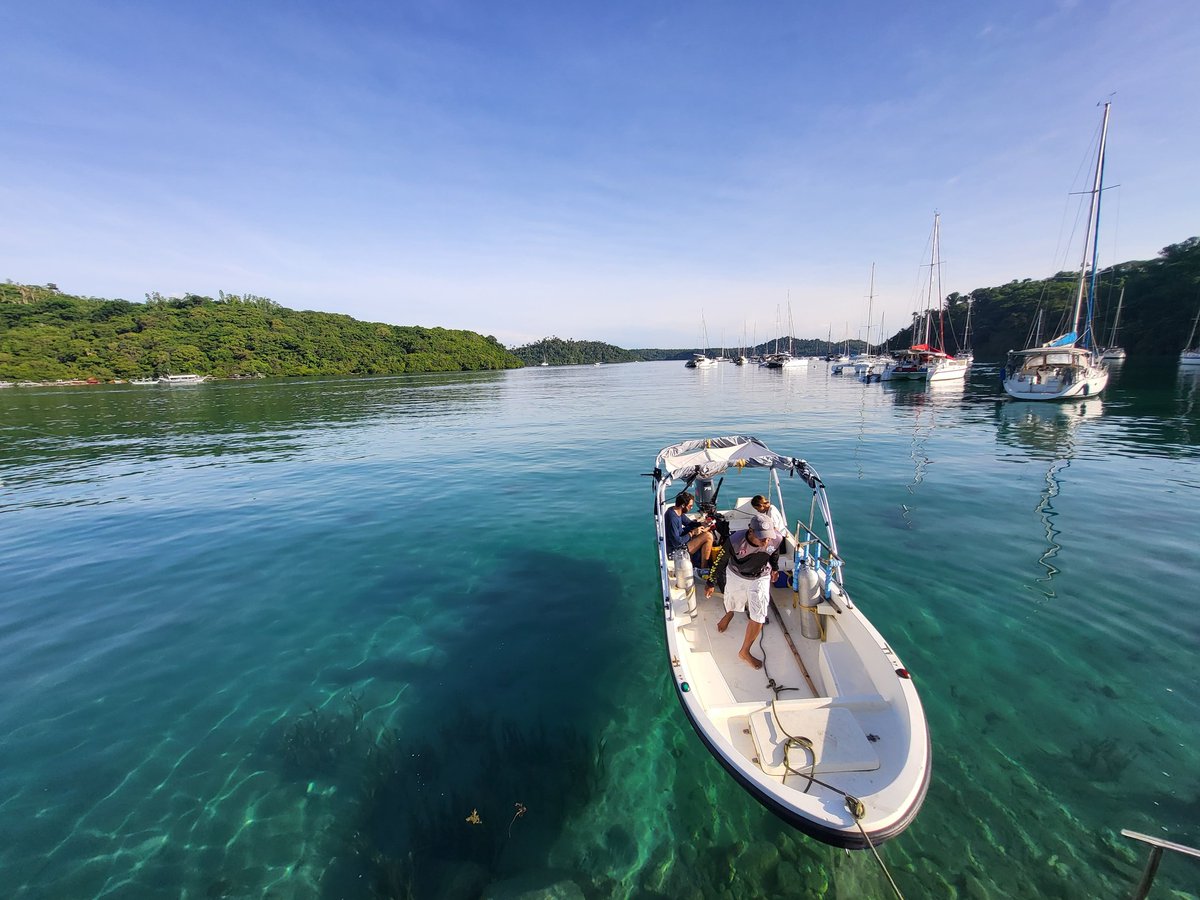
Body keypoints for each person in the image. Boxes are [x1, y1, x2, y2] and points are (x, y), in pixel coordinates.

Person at [714, 513, 783, 669]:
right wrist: (711, 582)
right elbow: (720, 561)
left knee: (759, 615)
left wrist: (775, 568)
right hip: (736, 574)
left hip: (760, 577)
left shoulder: (776, 538)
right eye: (762, 538)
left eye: (768, 537)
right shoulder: (735, 541)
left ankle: (745, 651)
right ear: (751, 531)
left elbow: (774, 552)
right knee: (732, 600)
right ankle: (729, 614)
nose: (766, 541)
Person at [665, 490, 715, 572]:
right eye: (690, 506)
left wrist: (702, 524)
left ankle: (700, 564)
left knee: (706, 532)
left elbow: (689, 523)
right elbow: (676, 542)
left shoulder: (677, 511)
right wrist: (692, 533)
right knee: (708, 536)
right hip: (676, 551)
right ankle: (703, 570)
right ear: (683, 505)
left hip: (681, 541)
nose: (691, 508)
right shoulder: (672, 518)